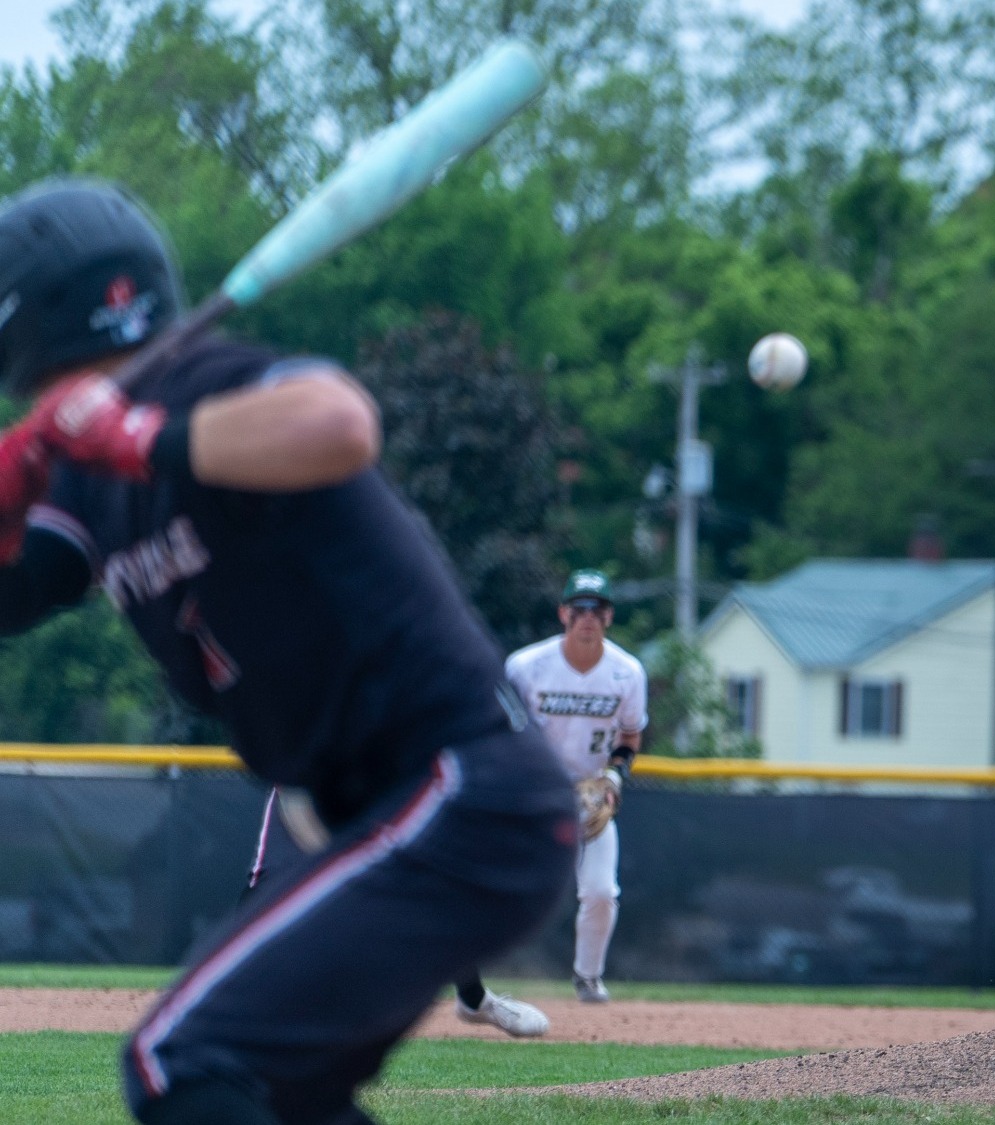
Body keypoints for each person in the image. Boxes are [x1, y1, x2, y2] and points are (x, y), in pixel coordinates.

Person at [0, 177, 576, 1125]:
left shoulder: (210, 386)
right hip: (397, 811)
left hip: (463, 788)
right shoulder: (87, 480)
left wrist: (136, 433)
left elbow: (340, 424)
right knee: (270, 1090)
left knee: (176, 1059)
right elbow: (20, 589)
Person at [243, 789, 551, 1038]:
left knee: (436, 886)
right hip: (310, 777)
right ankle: (241, 1001)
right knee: (271, 884)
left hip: (385, 770)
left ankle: (474, 999)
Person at [505, 569, 648, 1004]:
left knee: (602, 893)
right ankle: (463, 976)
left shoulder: (627, 673)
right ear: (563, 612)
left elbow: (629, 737)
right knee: (497, 885)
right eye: (580, 607)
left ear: (609, 617)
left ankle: (587, 977)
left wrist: (612, 776)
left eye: (597, 608)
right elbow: (504, 732)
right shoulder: (527, 667)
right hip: (532, 793)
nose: (587, 616)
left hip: (589, 795)